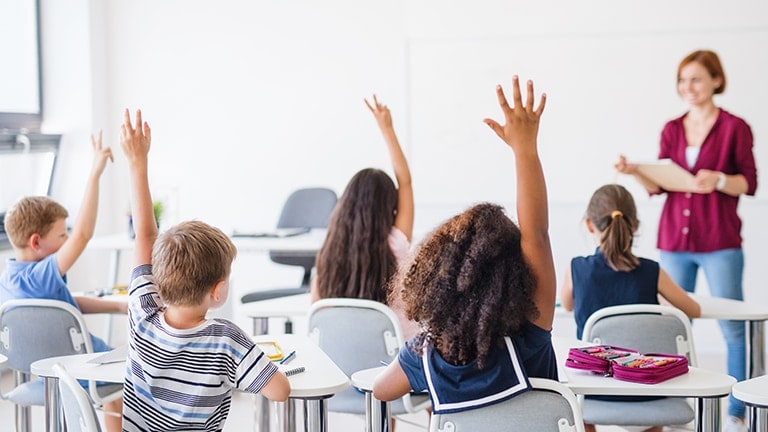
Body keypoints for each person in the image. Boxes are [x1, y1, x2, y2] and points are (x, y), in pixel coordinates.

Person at [372, 76, 559, 414]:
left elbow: (381, 390)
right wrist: (525, 150)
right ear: (516, 271)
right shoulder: (533, 328)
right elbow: (538, 232)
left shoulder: (428, 353)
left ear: (439, 279)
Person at [119, 109, 290, 431]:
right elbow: (280, 392)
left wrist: (136, 162)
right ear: (218, 290)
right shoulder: (226, 339)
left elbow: (144, 234)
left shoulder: (142, 311)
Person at [615, 49, 757, 432]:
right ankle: (666, 407)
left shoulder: (735, 127)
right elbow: (659, 185)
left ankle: (738, 413)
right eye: (682, 80)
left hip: (719, 239)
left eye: (696, 79)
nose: (688, 87)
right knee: (669, 322)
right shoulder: (672, 128)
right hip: (675, 238)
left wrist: (721, 180)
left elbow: (750, 181)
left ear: (715, 80)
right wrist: (635, 172)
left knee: (732, 326)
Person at [0, 131, 125, 432]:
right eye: (61, 235)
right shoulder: (41, 274)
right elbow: (83, 234)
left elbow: (63, 306)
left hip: (38, 371)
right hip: (81, 367)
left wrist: (118, 308)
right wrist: (95, 173)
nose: (68, 239)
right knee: (126, 373)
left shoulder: (10, 279)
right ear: (36, 242)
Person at [560, 184, 701, 432]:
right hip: (650, 389)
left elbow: (569, 305)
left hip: (593, 394)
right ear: (634, 226)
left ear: (590, 225)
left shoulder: (577, 269)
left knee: (580, 378)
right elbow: (693, 310)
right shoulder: (652, 271)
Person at [311, 95, 418, 339]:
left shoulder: (329, 252)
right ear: (390, 206)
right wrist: (387, 129)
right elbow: (406, 182)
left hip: (340, 361)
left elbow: (317, 311)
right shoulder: (397, 242)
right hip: (393, 365)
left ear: (345, 203)